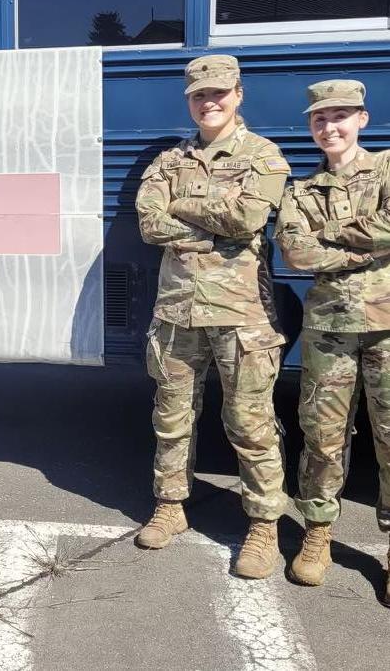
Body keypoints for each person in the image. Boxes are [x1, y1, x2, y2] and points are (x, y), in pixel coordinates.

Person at [135, 54, 290, 579]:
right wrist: (210, 228)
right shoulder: (168, 160)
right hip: (178, 312)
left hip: (243, 314)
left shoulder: (264, 156)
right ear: (189, 100)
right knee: (172, 418)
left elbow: (247, 218)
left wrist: (181, 206)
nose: (210, 102)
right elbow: (149, 224)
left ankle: (264, 526)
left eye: (219, 93)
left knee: (250, 423)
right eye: (200, 95)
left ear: (238, 94)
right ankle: (171, 505)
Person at [275, 80, 390, 601]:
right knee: (322, 438)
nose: (330, 127)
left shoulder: (388, 168)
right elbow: (296, 254)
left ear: (362, 118)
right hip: (329, 330)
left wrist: (332, 236)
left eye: (341, 116)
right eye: (320, 119)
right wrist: (362, 248)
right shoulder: (299, 191)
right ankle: (318, 533)